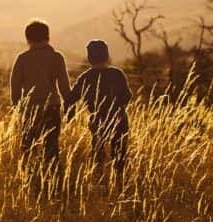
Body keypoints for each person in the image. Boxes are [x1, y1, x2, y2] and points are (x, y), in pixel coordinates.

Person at [10, 20, 71, 174]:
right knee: (51, 148)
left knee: (28, 149)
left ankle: (30, 181)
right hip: (52, 108)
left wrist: (17, 107)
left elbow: (15, 86)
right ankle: (55, 183)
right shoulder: (57, 57)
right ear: (48, 37)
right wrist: (70, 105)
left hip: (30, 110)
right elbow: (64, 85)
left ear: (27, 39)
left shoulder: (22, 59)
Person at [68, 39, 132, 186]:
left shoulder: (85, 77)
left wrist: (69, 114)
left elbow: (71, 98)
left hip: (98, 120)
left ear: (90, 58)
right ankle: (119, 182)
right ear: (107, 55)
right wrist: (119, 107)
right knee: (120, 153)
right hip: (119, 118)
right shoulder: (117, 74)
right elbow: (127, 96)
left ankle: (99, 182)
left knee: (98, 152)